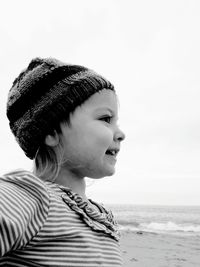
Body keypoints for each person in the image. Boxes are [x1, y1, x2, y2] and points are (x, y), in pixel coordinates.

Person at [0, 57, 125, 266]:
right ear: (51, 132)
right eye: (105, 119)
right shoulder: (32, 196)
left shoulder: (99, 216)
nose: (120, 133)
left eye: (117, 122)